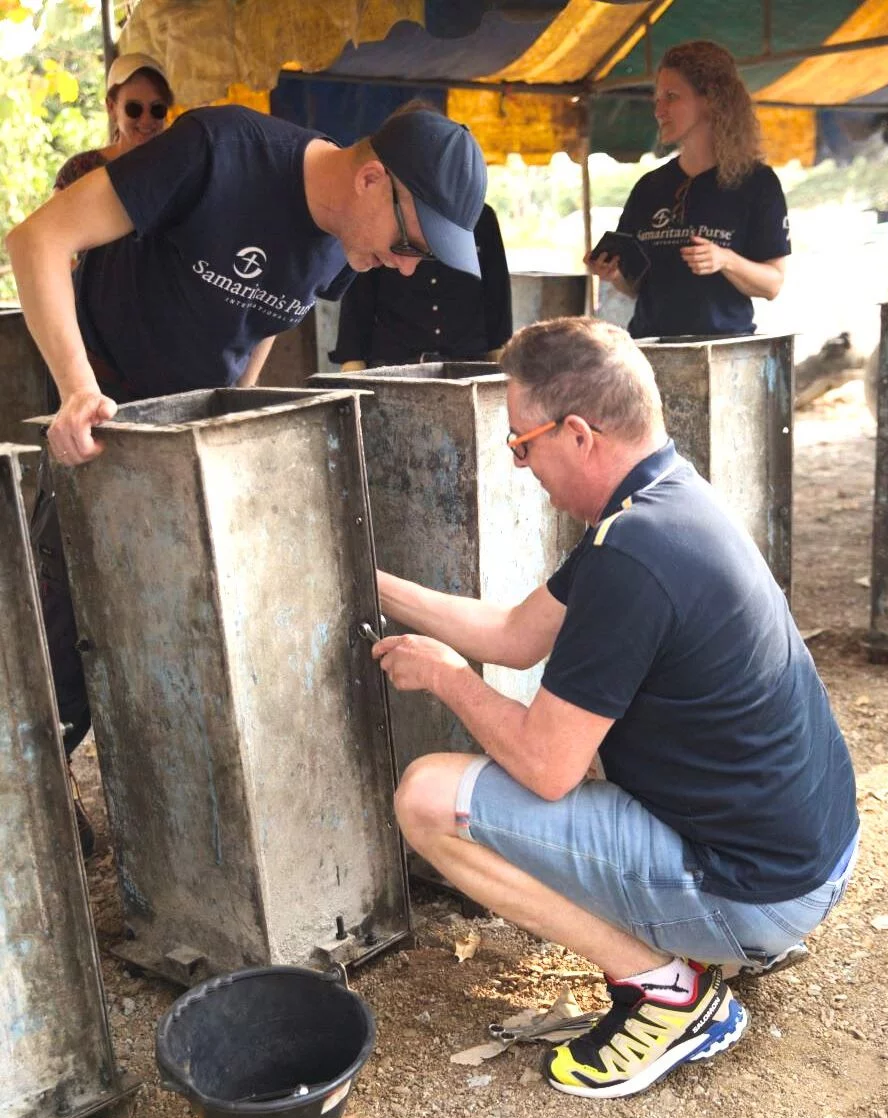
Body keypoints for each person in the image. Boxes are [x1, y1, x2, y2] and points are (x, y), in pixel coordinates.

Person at [371, 316, 858, 1100]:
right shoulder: (664, 501)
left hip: (763, 890)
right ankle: (722, 942)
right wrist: (372, 582)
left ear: (576, 433)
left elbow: (546, 768)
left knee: (428, 797)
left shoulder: (632, 556)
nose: (521, 463)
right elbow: (512, 635)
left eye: (520, 443)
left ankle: (670, 996)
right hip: (807, 860)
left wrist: (450, 680)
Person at [6, 103, 487, 836]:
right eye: (409, 243)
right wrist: (77, 389)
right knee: (59, 640)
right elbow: (37, 239)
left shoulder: (341, 242)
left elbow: (260, 325)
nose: (406, 266)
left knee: (183, 641)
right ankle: (25, 801)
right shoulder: (219, 152)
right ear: (369, 179)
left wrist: (236, 423)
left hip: (196, 447)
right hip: (106, 430)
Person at [586, 40, 790, 339]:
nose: (659, 110)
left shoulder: (757, 183)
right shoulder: (649, 187)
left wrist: (725, 259)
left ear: (711, 100)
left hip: (721, 352)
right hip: (649, 349)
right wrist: (614, 274)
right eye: (656, 99)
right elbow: (636, 286)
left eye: (671, 97)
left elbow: (773, 284)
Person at [331, 203, 512, 368]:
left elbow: (497, 293)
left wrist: (501, 359)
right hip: (394, 364)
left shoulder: (481, 217)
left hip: (468, 362)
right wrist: (352, 362)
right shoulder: (383, 216)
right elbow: (359, 295)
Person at [54, 53, 174, 192]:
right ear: (111, 107)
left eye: (157, 108)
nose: (146, 120)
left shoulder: (179, 171)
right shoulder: (79, 172)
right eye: (134, 108)